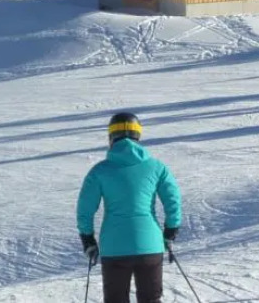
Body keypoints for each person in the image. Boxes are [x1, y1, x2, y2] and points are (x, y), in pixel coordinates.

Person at [77, 112, 182, 303]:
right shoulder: (157, 167)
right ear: (138, 135)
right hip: (150, 245)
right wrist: (170, 232)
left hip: (114, 247)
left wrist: (88, 239)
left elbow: (85, 208)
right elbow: (172, 200)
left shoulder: (99, 171)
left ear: (111, 137)